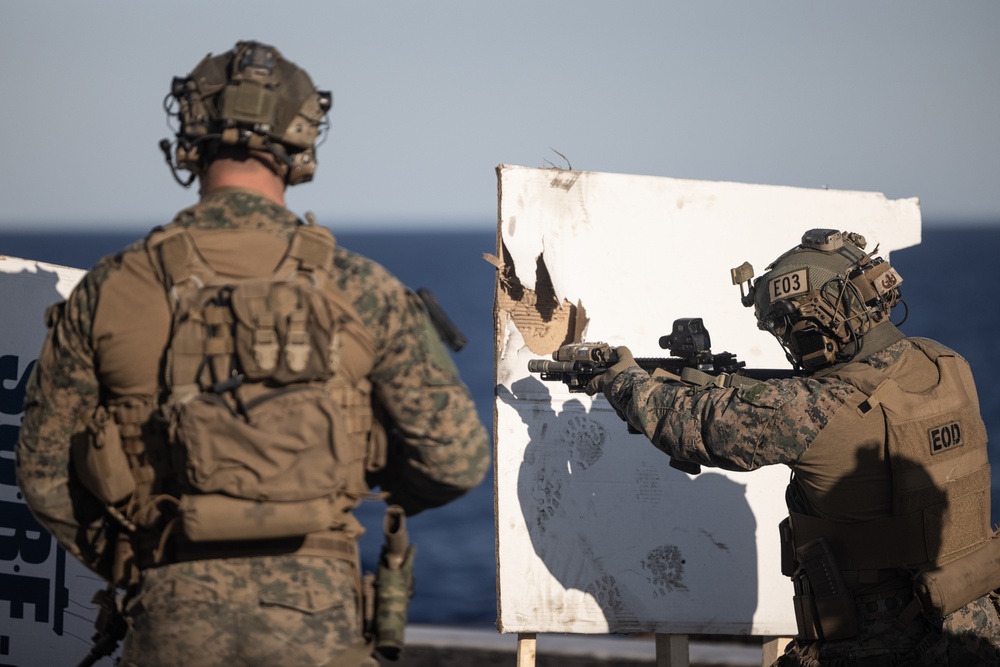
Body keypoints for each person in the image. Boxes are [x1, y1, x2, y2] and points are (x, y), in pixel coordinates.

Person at [16, 40, 490, 667]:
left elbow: (44, 474)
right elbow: (455, 461)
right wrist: (350, 481)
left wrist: (136, 552)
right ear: (301, 142)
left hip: (168, 614)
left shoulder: (112, 287)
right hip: (320, 620)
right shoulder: (363, 288)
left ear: (190, 134)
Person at [586, 228, 1000, 665]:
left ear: (816, 322)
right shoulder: (948, 364)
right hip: (973, 627)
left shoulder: (815, 407)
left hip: (880, 643)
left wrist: (622, 378)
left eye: (785, 325)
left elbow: (689, 425)